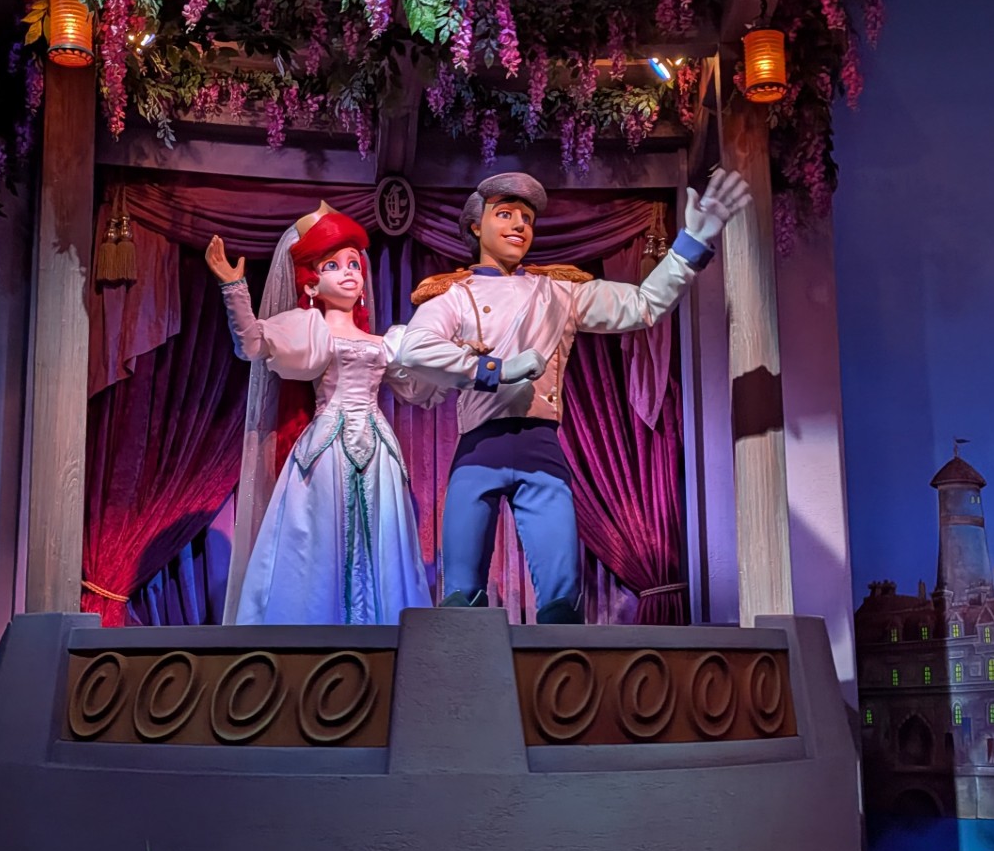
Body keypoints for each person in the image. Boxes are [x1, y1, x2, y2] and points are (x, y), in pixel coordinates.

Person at [396, 168, 749, 623]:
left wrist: (691, 244)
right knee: (460, 598)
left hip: (541, 450)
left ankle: (557, 669)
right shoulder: (453, 296)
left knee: (562, 600)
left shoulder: (558, 291)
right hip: (479, 451)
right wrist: (496, 370)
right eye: (505, 214)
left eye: (527, 218)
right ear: (475, 226)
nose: (519, 225)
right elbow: (414, 349)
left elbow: (642, 305)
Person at [206, 203, 544, 625]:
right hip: (326, 449)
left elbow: (421, 387)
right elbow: (253, 345)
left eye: (354, 264)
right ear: (311, 284)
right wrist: (234, 287)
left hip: (377, 448)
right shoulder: (309, 329)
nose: (349, 272)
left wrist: (458, 355)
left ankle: (381, 630)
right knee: (319, 534)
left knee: (381, 533)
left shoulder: (388, 343)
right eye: (333, 266)